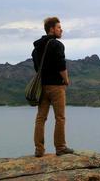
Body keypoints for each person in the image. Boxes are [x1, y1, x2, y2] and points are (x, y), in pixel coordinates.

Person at [31, 17, 74, 157]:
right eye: (59, 27)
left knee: (40, 118)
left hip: (42, 87)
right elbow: (61, 65)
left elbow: (37, 68)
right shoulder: (57, 45)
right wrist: (66, 80)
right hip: (56, 87)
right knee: (60, 117)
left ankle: (39, 149)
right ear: (51, 29)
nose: (61, 30)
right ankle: (60, 147)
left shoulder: (36, 48)